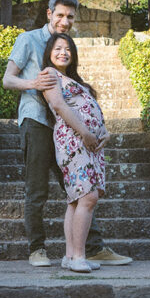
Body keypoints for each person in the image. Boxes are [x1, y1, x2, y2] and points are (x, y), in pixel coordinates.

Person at [2, 0, 132, 268]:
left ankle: (91, 248)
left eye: (70, 16)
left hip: (67, 130)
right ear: (49, 13)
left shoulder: (65, 47)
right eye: (60, 15)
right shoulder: (28, 40)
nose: (65, 21)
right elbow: (8, 80)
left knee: (80, 189)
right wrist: (34, 85)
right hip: (37, 121)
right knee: (37, 189)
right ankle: (37, 249)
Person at [42, 32, 107, 273]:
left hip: (90, 143)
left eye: (68, 48)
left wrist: (104, 133)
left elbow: (91, 109)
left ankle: (71, 256)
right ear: (49, 52)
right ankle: (79, 255)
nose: (63, 52)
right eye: (58, 48)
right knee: (88, 197)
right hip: (74, 141)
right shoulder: (50, 74)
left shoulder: (74, 80)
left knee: (76, 199)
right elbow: (58, 105)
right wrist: (85, 134)